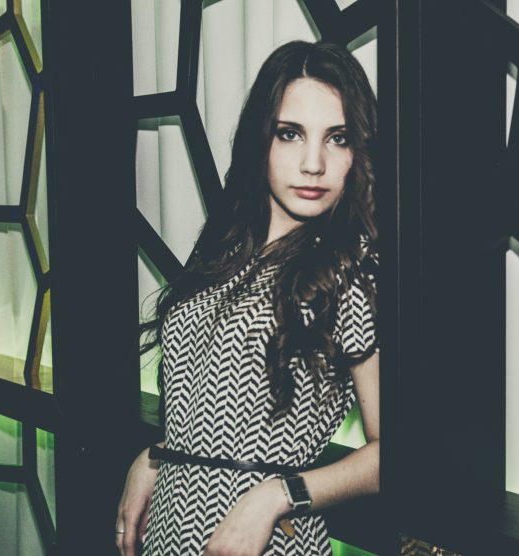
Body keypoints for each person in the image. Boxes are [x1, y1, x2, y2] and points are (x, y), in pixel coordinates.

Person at [115, 40, 380, 556]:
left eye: (338, 138)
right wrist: (155, 456)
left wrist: (276, 497)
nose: (313, 163)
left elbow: (396, 456)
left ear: (358, 152)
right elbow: (212, 404)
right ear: (263, 139)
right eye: (290, 133)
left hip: (269, 541)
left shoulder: (354, 270)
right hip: (170, 531)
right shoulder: (226, 249)